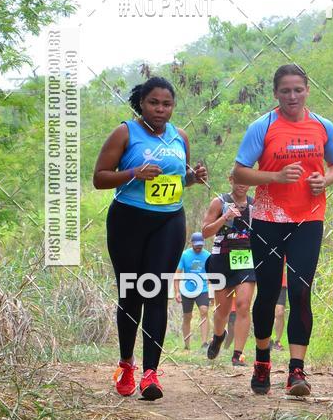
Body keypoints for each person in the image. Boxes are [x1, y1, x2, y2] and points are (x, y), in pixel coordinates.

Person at [233, 64, 333, 396]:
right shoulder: (263, 126)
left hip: (308, 219)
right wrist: (274, 177)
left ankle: (297, 371)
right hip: (268, 220)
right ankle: (263, 361)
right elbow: (239, 172)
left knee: (299, 291)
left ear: (308, 90)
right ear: (275, 94)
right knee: (268, 293)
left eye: (298, 89)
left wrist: (325, 178)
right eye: (285, 91)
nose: (292, 96)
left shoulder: (324, 126)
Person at [93, 76, 207, 401]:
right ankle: (126, 363)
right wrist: (133, 173)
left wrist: (192, 179)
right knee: (131, 293)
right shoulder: (126, 133)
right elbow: (99, 178)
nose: (160, 109)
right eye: (154, 103)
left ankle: (151, 374)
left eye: (166, 104)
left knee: (156, 291)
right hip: (128, 220)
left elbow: (178, 178)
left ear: (173, 107)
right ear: (141, 103)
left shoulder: (179, 136)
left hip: (169, 220)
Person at [202, 173, 256, 367]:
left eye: (247, 180)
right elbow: (205, 232)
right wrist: (225, 217)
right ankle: (218, 336)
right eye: (239, 180)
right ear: (231, 180)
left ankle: (238, 354)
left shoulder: (254, 205)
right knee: (222, 311)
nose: (243, 184)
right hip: (221, 259)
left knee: (243, 304)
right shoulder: (220, 202)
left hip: (245, 260)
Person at [174, 233, 212, 350]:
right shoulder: (185, 255)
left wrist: (211, 293)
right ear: (191, 243)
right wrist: (177, 291)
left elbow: (211, 276)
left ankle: (204, 343)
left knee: (204, 311)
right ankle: (187, 345)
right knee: (187, 316)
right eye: (196, 245)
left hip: (203, 288)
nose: (198, 247)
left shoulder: (208, 256)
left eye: (200, 245)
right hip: (188, 289)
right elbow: (177, 274)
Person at [270, 263, 287, 351]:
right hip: (265, 280)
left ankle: (277, 341)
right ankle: (267, 340)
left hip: (281, 282)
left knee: (280, 312)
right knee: (266, 311)